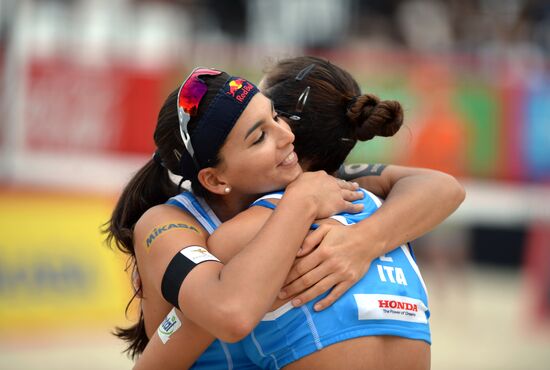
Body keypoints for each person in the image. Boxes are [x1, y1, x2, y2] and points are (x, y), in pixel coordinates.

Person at [131, 57, 464, 369]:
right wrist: (300, 202)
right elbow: (223, 314)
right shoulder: (172, 223)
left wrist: (363, 241)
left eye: (276, 116)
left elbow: (443, 187)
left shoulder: (326, 187)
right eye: (260, 135)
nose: (286, 135)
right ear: (215, 178)